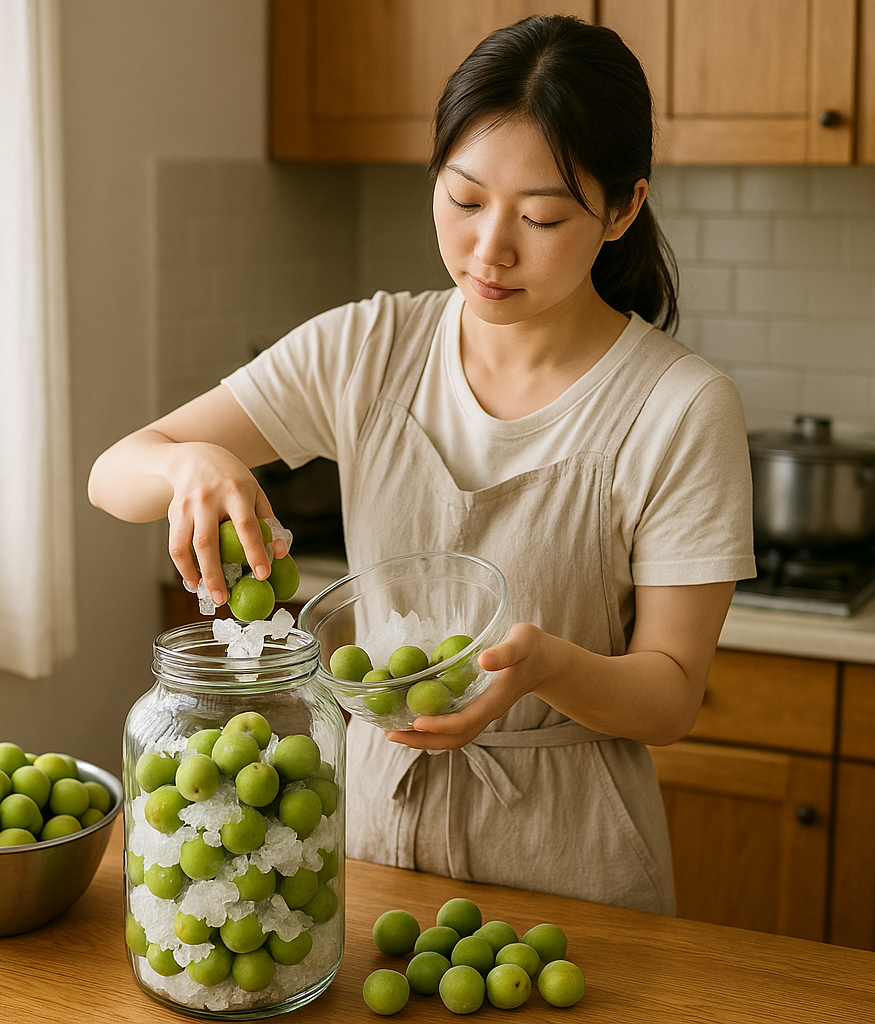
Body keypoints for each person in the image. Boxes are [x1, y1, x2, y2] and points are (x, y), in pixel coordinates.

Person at [88, 14, 755, 914]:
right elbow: (115, 473)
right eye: (465, 199)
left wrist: (548, 666)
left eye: (543, 216)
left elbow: (671, 697)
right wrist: (194, 464)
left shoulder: (680, 406)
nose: (490, 249)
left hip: (573, 869)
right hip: (366, 849)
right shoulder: (366, 347)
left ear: (624, 208)